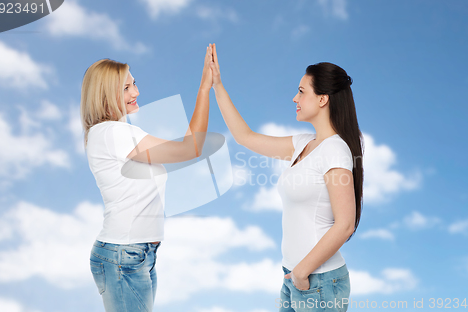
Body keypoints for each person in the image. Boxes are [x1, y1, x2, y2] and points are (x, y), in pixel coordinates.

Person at [209, 43, 363, 312]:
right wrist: (218, 86)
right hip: (295, 277)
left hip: (318, 281)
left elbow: (345, 224)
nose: (295, 98)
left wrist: (303, 271)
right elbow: (246, 138)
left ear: (322, 99)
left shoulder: (336, 150)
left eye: (302, 92)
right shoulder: (303, 144)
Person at [80, 44, 214, 312]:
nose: (136, 92)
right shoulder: (113, 134)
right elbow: (191, 149)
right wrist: (203, 89)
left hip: (137, 254)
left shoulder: (114, 133)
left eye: (134, 84)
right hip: (124, 255)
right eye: (126, 88)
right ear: (107, 95)